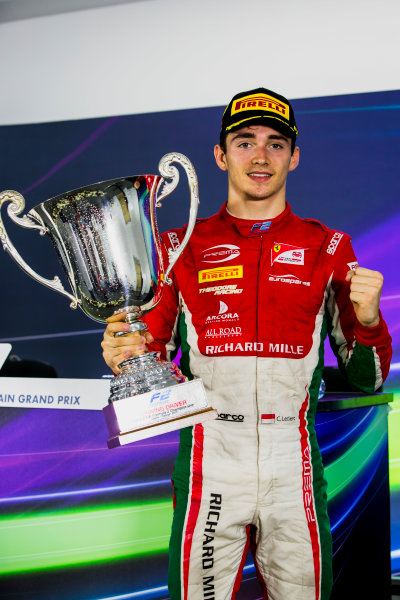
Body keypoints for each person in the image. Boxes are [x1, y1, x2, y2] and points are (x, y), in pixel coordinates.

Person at [101, 87, 392, 600]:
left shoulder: (327, 247)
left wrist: (369, 319)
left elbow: (367, 377)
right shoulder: (176, 247)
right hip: (211, 460)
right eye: (244, 141)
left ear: (294, 157)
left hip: (293, 463)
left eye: (276, 143)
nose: (260, 155)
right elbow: (150, 358)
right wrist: (127, 353)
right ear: (221, 155)